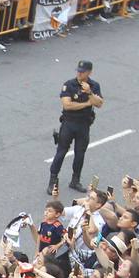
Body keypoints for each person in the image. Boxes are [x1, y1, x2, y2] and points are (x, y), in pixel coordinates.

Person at [48, 60, 103, 195]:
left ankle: (75, 180)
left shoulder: (94, 86)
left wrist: (89, 93)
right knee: (61, 152)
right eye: (78, 71)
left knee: (80, 153)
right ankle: (53, 181)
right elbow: (67, 105)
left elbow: (99, 103)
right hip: (69, 123)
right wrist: (86, 104)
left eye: (82, 71)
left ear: (89, 72)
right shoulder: (69, 85)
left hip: (84, 124)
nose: (79, 73)